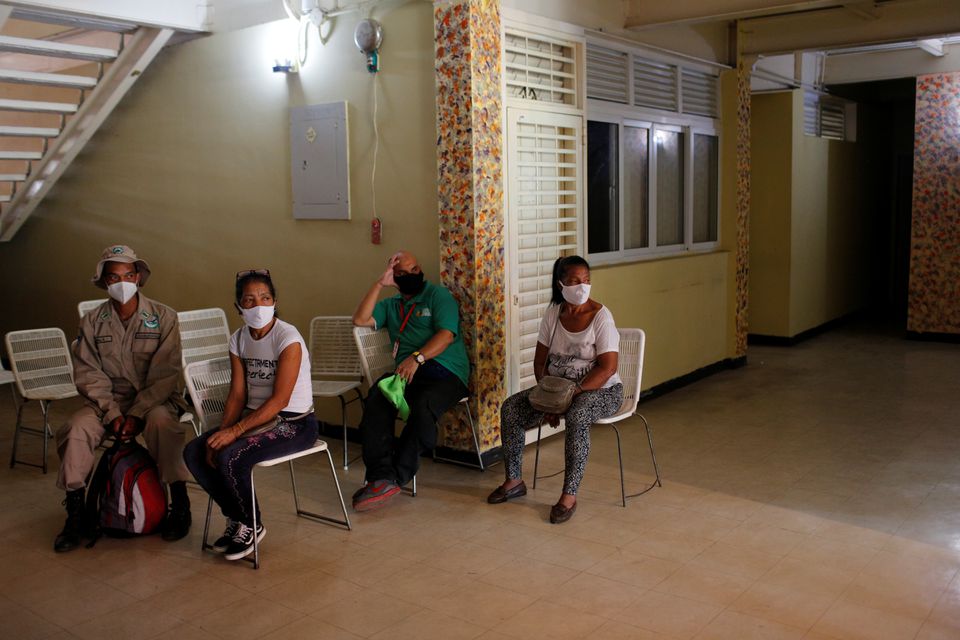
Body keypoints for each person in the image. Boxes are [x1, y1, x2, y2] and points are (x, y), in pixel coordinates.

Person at [54, 245, 192, 552]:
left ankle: (180, 505)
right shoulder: (92, 321)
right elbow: (89, 373)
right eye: (113, 277)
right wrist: (113, 412)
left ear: (140, 277)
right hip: (107, 402)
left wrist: (138, 411)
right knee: (76, 428)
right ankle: (75, 513)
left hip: (154, 400)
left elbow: (165, 373)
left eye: (128, 275)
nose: (122, 282)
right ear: (103, 281)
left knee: (161, 424)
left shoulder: (164, 317)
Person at [183, 269, 318, 561]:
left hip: (295, 424)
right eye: (250, 300)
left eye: (265, 298)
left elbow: (280, 400)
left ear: (274, 301)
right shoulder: (238, 339)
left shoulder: (288, 338)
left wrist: (233, 433)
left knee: (231, 455)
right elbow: (237, 395)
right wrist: (222, 432)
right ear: (239, 307)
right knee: (196, 450)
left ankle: (252, 524)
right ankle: (237, 518)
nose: (259, 306)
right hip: (257, 419)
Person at [487, 256, 623, 524]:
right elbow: (540, 362)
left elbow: (607, 368)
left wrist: (568, 398)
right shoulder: (553, 313)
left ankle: (568, 496)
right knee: (511, 408)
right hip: (558, 391)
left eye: (586, 280)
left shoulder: (601, 317)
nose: (582, 286)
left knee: (577, 415)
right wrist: (549, 400)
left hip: (601, 391)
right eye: (574, 281)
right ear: (560, 284)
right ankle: (514, 481)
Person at [351, 251, 470, 511]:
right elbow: (359, 320)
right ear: (395, 277)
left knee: (422, 404)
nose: (414, 275)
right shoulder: (391, 305)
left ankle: (394, 476)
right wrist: (379, 284)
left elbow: (446, 336)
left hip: (446, 371)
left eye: (416, 269)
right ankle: (381, 476)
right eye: (404, 274)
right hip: (407, 374)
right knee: (376, 399)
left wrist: (417, 358)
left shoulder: (438, 296)